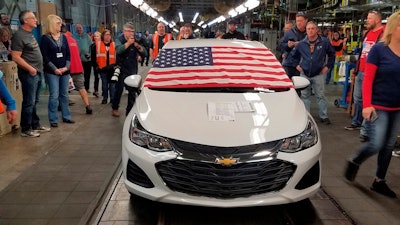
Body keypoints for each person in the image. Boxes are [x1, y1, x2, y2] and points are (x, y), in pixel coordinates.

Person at [344, 11, 400, 198]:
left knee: (389, 145)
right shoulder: (378, 50)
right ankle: (355, 160)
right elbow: (368, 79)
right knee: (376, 143)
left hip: (397, 107)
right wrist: (367, 105)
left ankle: (379, 181)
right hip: (379, 106)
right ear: (393, 28)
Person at [344, 10, 385, 143]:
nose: (367, 20)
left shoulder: (383, 33)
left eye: (369, 18)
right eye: (367, 18)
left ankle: (365, 131)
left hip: (372, 73)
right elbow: (362, 52)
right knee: (357, 99)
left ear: (377, 20)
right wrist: (356, 70)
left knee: (369, 102)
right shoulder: (367, 33)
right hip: (361, 71)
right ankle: (356, 122)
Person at [11, 10, 50, 137]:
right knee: (29, 101)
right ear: (25, 20)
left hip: (37, 72)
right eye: (33, 18)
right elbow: (15, 57)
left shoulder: (30, 34)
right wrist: (30, 68)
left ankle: (35, 124)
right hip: (29, 74)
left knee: (35, 101)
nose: (36, 20)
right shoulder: (19, 35)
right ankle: (26, 129)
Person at [291, 21, 335, 125]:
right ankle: (306, 116)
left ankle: (323, 116)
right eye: (308, 29)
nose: (310, 31)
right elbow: (293, 56)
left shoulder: (324, 42)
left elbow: (332, 55)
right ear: (306, 31)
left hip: (318, 74)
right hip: (305, 73)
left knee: (320, 95)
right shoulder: (301, 44)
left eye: (312, 28)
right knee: (305, 96)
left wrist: (327, 67)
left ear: (317, 30)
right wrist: (297, 65)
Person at [40, 14, 74, 128]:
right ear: (52, 24)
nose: (61, 25)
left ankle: (66, 116)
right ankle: (53, 119)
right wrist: (54, 69)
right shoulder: (45, 39)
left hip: (64, 71)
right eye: (58, 23)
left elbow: (68, 54)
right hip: (52, 72)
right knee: (54, 95)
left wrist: (66, 67)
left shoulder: (63, 38)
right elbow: (45, 57)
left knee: (64, 95)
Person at [112, 22, 146, 117]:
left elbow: (145, 53)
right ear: (124, 31)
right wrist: (128, 43)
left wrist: (138, 48)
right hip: (121, 67)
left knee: (132, 90)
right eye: (129, 31)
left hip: (132, 68)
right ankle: (115, 107)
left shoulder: (136, 40)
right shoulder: (119, 39)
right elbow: (118, 50)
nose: (132, 33)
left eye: (133, 31)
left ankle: (129, 111)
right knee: (119, 89)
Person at [62, 24, 92, 115]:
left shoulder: (62, 41)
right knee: (82, 88)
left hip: (68, 69)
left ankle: (63, 107)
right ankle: (88, 106)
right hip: (78, 67)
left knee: (64, 90)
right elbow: (78, 53)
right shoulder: (73, 40)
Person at [279, 12, 308, 79]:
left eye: (301, 21)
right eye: (297, 21)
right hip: (289, 64)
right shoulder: (290, 32)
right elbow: (281, 45)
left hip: (302, 66)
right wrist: (287, 45)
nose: (299, 23)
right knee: (287, 85)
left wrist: (300, 44)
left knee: (301, 86)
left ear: (306, 21)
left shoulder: (309, 32)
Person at [95, 29, 116, 105]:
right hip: (102, 68)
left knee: (112, 85)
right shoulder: (98, 44)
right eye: (106, 35)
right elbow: (95, 56)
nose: (108, 36)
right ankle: (105, 98)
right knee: (104, 85)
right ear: (103, 36)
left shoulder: (114, 45)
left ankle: (112, 99)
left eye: (109, 35)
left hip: (112, 68)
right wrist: (97, 66)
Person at [73, 23, 92, 93]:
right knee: (78, 75)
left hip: (87, 59)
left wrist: (90, 54)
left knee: (87, 74)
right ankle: (78, 88)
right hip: (78, 60)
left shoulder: (87, 36)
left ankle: (86, 88)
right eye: (77, 28)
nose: (79, 29)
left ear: (82, 28)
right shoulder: (73, 37)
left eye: (80, 28)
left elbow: (91, 46)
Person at [91, 31, 101, 97]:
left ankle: (105, 91)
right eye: (95, 36)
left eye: (97, 36)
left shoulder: (102, 45)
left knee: (104, 78)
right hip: (95, 64)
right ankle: (96, 90)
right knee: (96, 77)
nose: (96, 37)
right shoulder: (92, 45)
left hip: (101, 64)